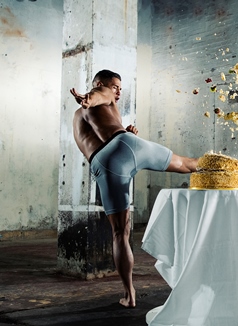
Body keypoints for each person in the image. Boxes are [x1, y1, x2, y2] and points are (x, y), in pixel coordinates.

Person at [70, 69, 198, 308]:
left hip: (109, 159)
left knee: (120, 233)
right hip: (127, 146)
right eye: (115, 86)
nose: (118, 92)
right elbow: (98, 95)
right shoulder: (99, 95)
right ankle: (229, 167)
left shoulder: (80, 118)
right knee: (186, 164)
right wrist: (89, 97)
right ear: (100, 84)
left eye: (120, 88)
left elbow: (104, 134)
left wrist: (123, 134)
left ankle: (129, 295)